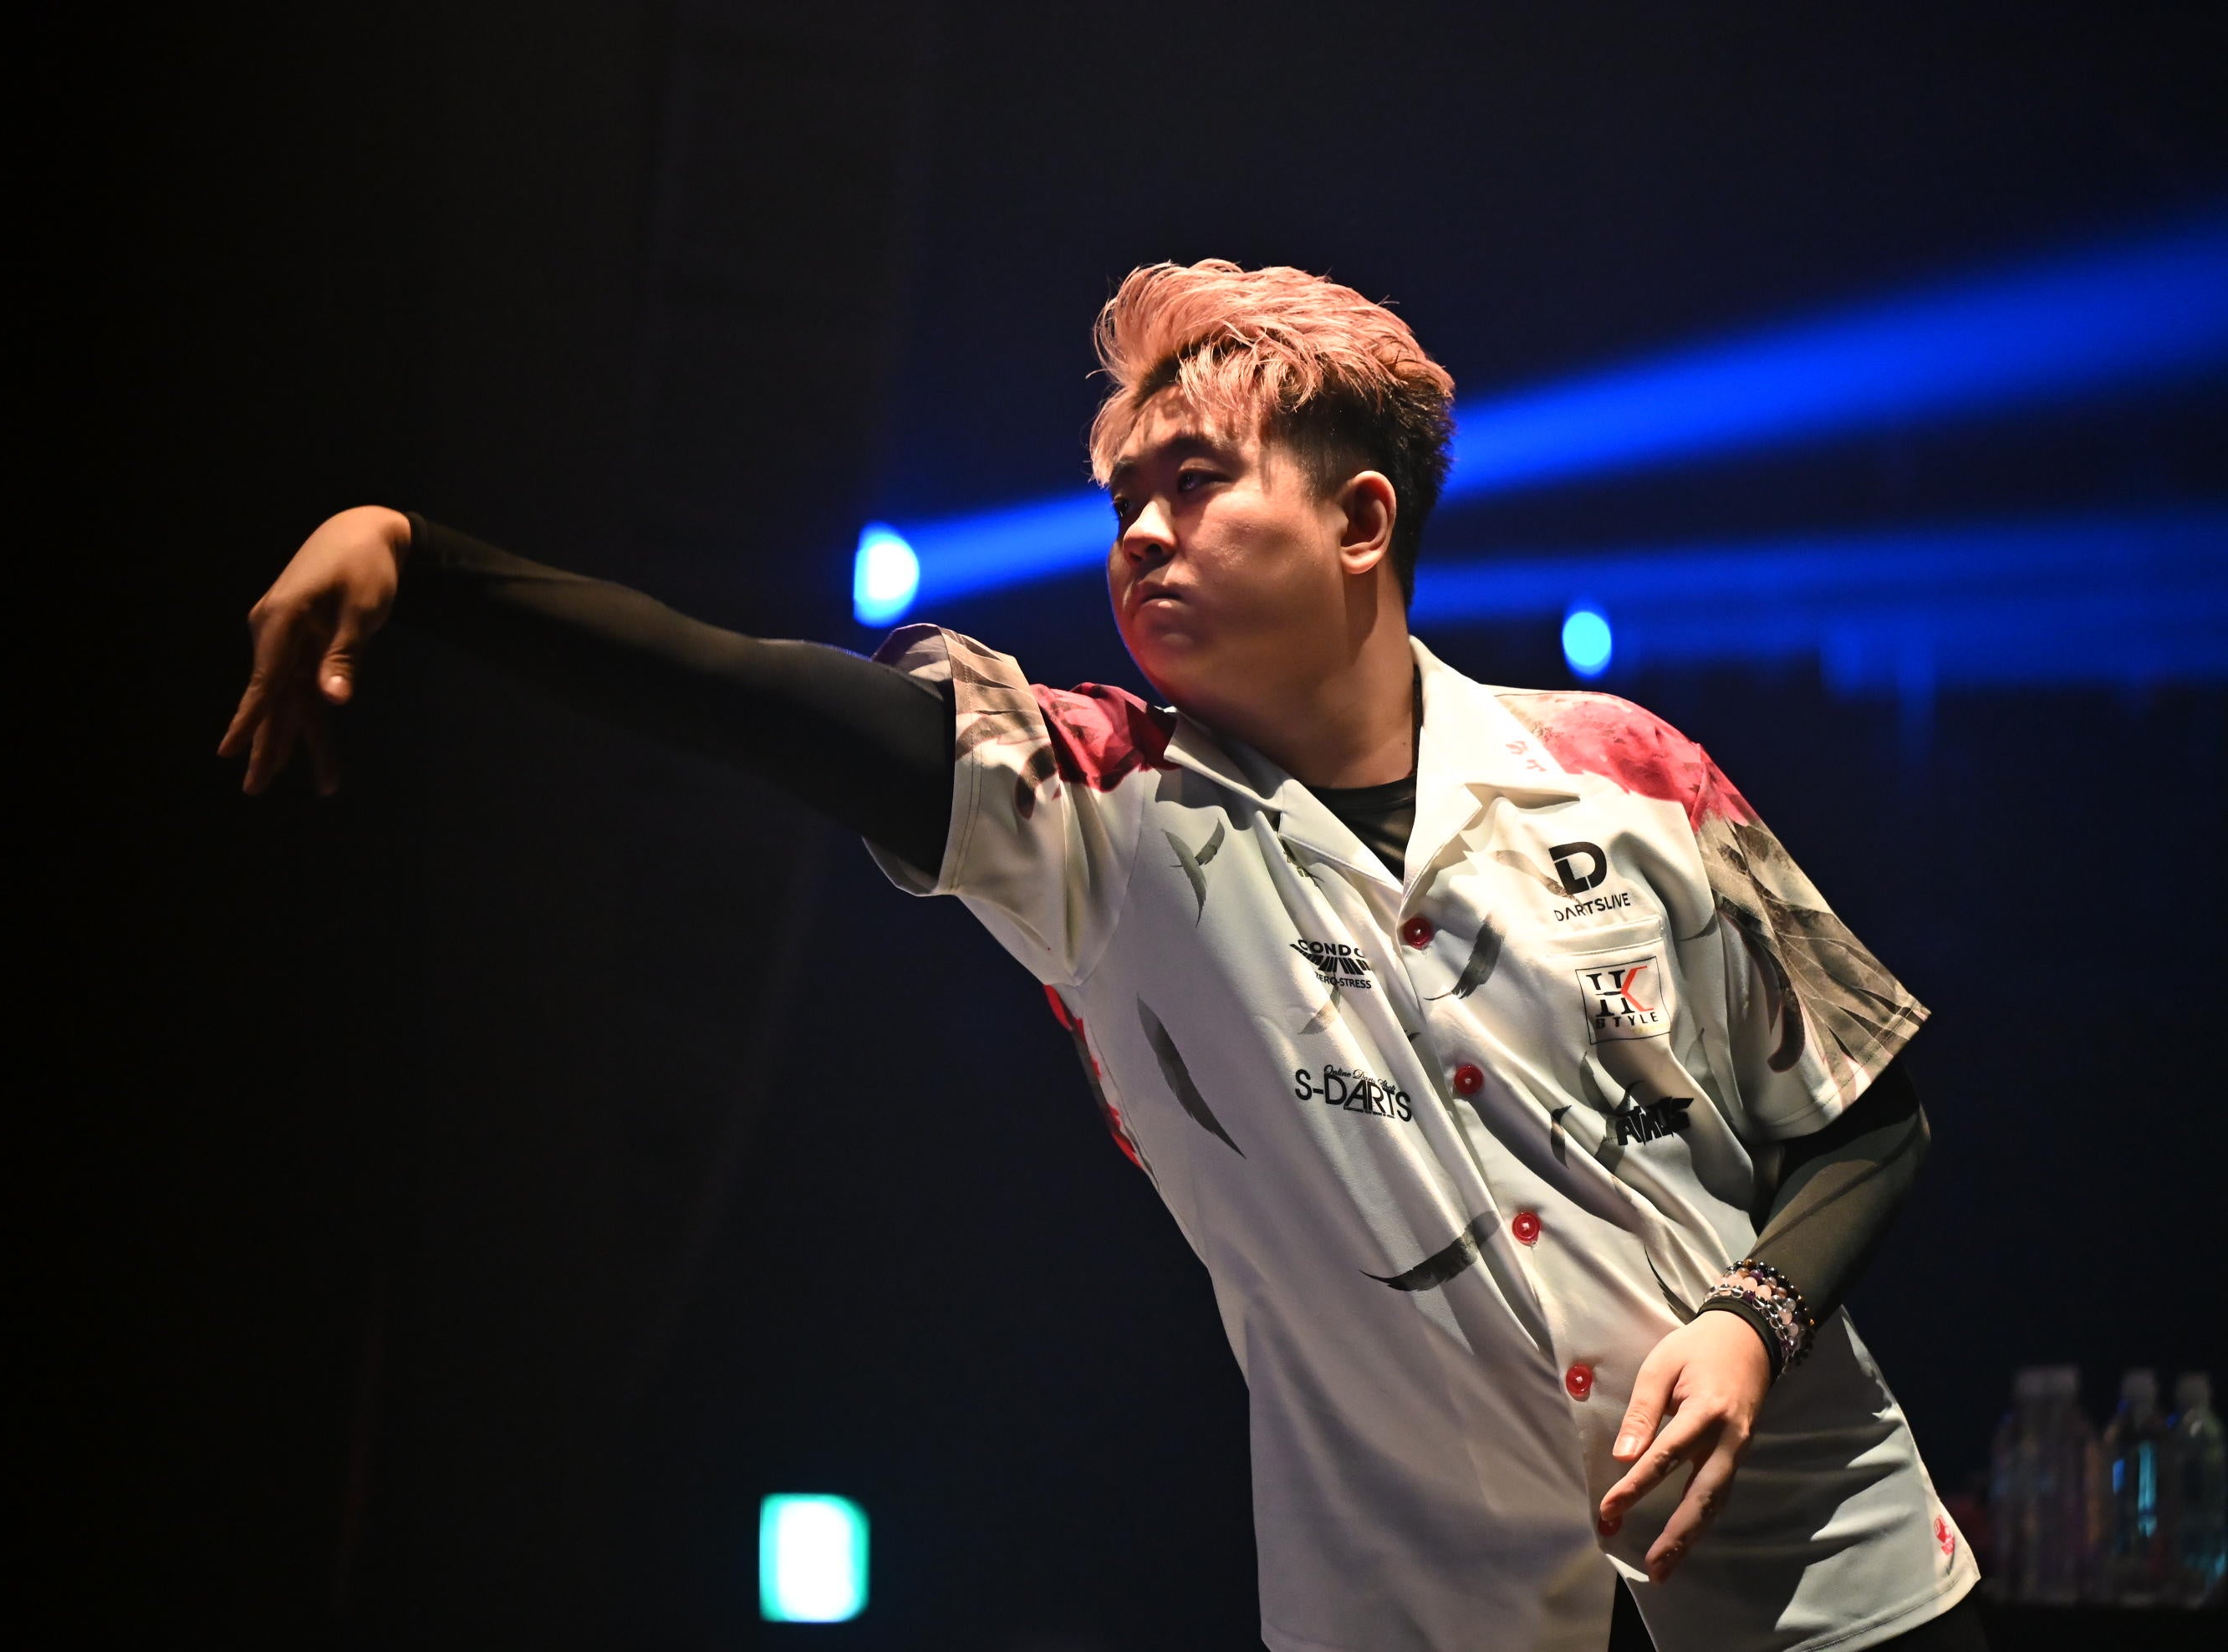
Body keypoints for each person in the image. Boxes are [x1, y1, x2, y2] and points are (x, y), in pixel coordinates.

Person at [222, 261, 1986, 1651]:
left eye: (1195, 482)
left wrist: (1751, 1323)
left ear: (1363, 522)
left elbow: (1867, 1116)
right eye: (1125, 496)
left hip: (1835, 1584)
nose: (1140, 532)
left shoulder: (1627, 769)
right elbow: (749, 695)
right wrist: (424, 563)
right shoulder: (1093, 810)